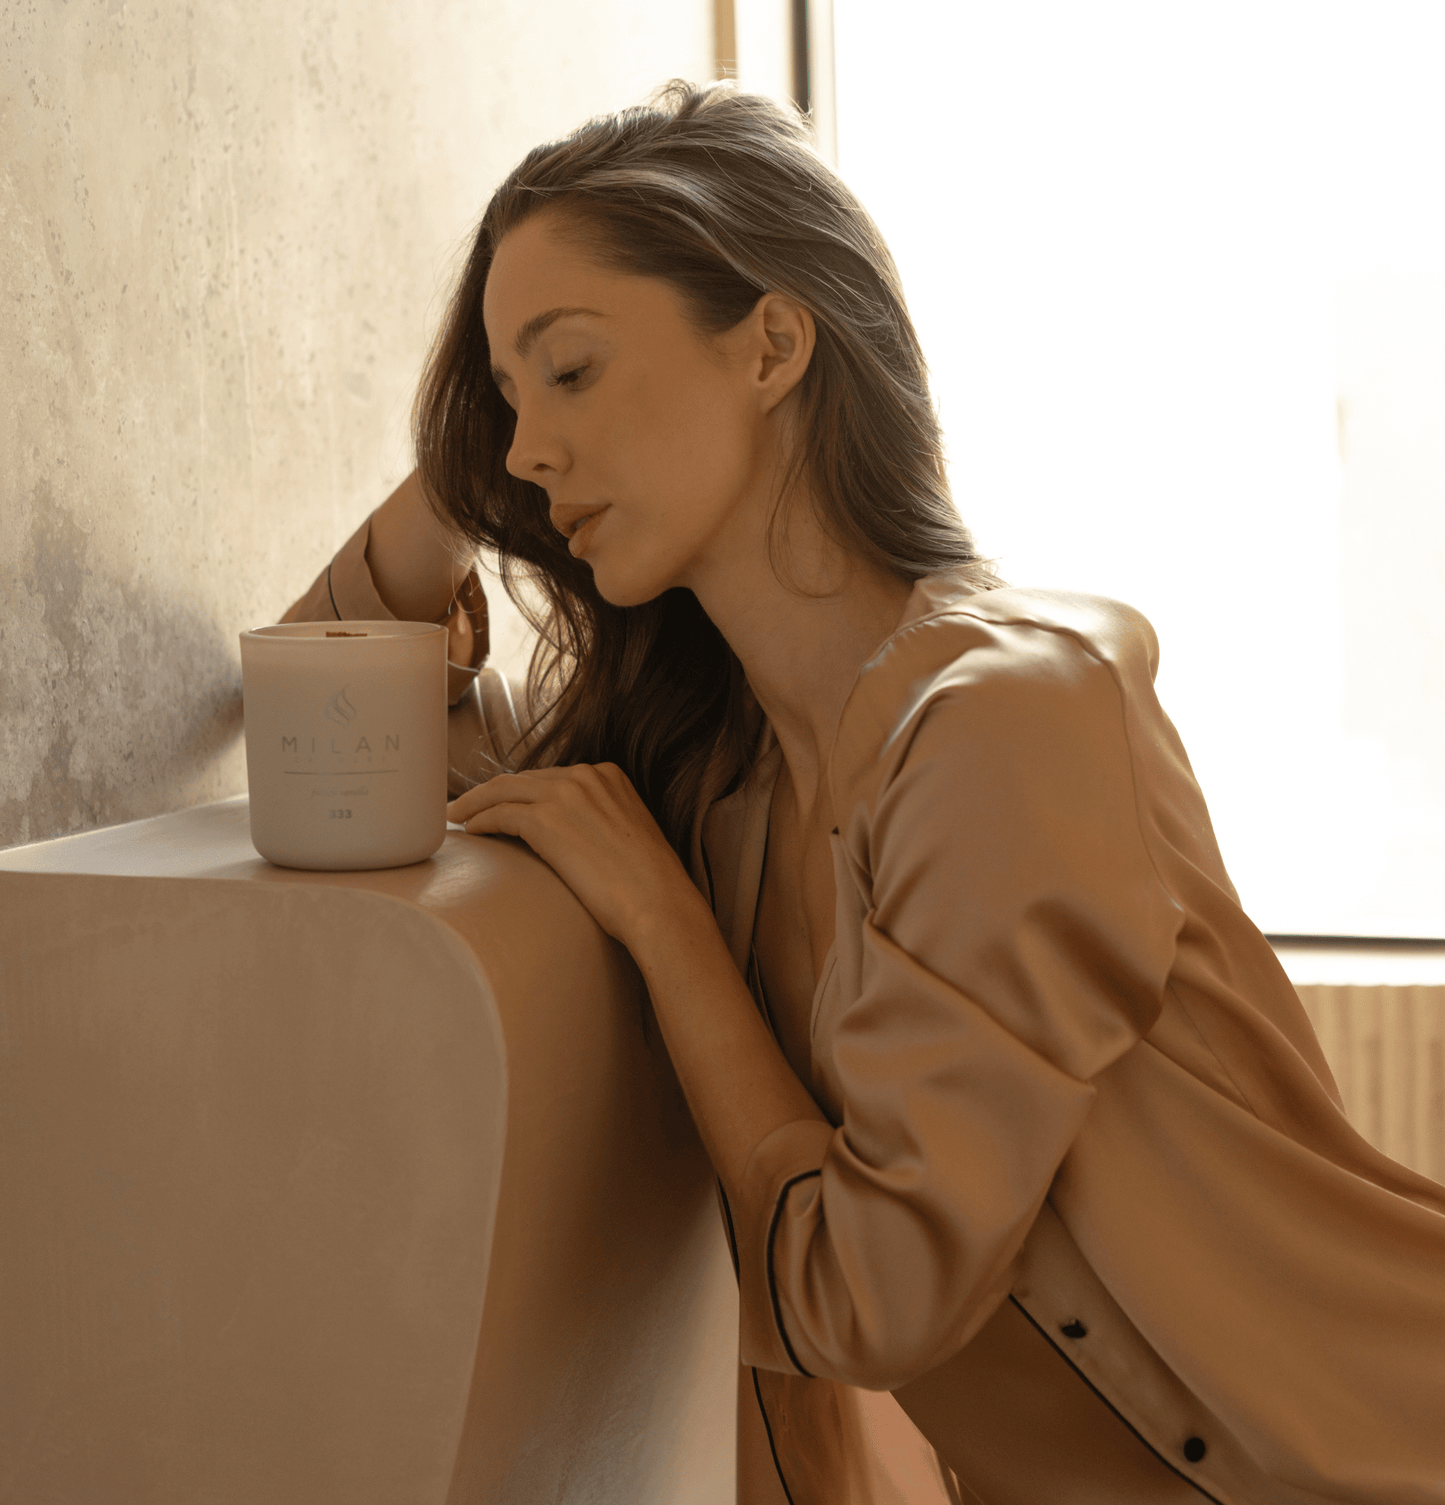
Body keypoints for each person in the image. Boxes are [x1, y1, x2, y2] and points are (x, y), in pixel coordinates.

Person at [284, 81, 1445, 1504]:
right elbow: (327, 702)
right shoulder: (722, 779)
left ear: (773, 342)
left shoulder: (1005, 726)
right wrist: (473, 471)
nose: (528, 449)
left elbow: (865, 1301)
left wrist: (665, 926)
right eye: (508, 400)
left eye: (571, 372)